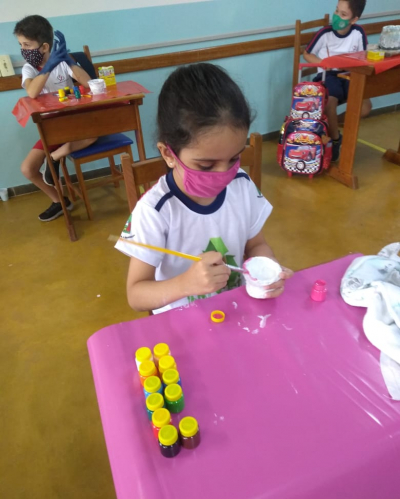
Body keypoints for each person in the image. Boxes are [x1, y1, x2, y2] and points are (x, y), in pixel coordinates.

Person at [115, 63, 293, 314]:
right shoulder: (155, 211)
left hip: (235, 310)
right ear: (168, 154)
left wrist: (267, 268)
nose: (223, 174)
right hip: (182, 322)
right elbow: (136, 295)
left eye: (234, 158)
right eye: (206, 165)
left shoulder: (242, 185)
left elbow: (256, 245)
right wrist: (184, 284)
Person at [14, 15, 97, 221]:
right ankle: (59, 201)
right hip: (51, 128)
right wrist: (48, 66)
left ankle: (55, 157)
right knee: (27, 169)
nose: (23, 49)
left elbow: (89, 83)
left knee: (94, 134)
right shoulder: (29, 68)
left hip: (73, 122)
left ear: (44, 47)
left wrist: (67, 60)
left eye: (27, 45)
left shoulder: (62, 63)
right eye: (21, 45)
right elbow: (32, 92)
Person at [303, 0, 372, 161]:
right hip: (328, 75)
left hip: (350, 75)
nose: (337, 17)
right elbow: (307, 53)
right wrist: (322, 63)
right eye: (336, 11)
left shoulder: (358, 33)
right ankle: (335, 140)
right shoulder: (324, 33)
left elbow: (363, 56)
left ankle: (332, 123)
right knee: (330, 102)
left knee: (365, 107)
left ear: (354, 19)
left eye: (343, 14)